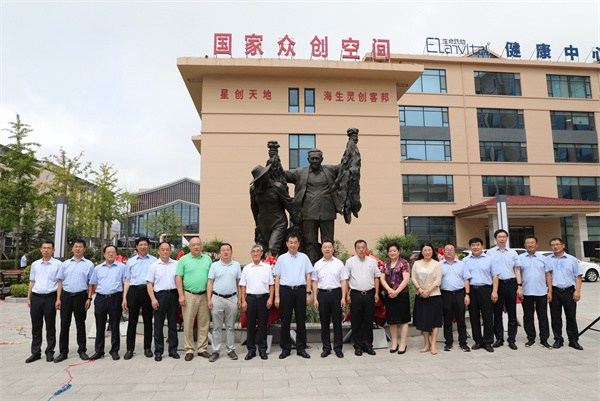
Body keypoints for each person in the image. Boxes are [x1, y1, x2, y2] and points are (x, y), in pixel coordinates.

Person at [284, 149, 341, 264]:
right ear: (308, 159)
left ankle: (330, 265)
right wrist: (274, 156)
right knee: (310, 242)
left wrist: (351, 145)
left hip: (327, 212)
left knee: (328, 241)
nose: (315, 161)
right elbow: (282, 174)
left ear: (322, 159)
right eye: (312, 159)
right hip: (308, 213)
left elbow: (345, 165)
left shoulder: (330, 170)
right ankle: (311, 266)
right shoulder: (300, 172)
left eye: (317, 159)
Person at [273, 234, 314, 359]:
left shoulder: (304, 257)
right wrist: (277, 296)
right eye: (291, 242)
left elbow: (308, 276)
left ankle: (301, 348)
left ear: (299, 244)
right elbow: (277, 278)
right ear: (287, 243)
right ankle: (285, 349)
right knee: (285, 320)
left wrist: (308, 293)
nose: (293, 245)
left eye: (295, 242)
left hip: (300, 291)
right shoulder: (281, 258)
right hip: (285, 291)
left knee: (301, 320)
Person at [54, 239, 94, 363]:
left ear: (84, 249)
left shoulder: (89, 264)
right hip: (66, 297)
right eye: (76, 246)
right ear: (72, 249)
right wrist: (58, 299)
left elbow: (90, 283)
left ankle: (82, 350)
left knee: (80, 324)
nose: (77, 249)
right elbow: (60, 282)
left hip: (81, 297)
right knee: (64, 325)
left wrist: (89, 298)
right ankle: (63, 352)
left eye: (80, 247)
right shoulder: (65, 264)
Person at [176, 237, 213, 361]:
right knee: (188, 323)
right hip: (189, 295)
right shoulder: (183, 260)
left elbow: (211, 278)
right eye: (193, 245)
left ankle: (202, 349)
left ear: (201, 246)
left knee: (204, 323)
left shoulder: (207, 259)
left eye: (198, 244)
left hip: (204, 295)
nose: (196, 247)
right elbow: (178, 278)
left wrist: (210, 296)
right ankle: (189, 350)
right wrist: (181, 295)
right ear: (190, 247)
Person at [311, 240, 348, 358]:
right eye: (325, 247)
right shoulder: (317, 264)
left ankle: (338, 348)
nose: (327, 249)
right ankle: (326, 348)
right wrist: (315, 299)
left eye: (329, 247)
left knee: (337, 322)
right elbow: (315, 283)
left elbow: (343, 281)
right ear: (321, 250)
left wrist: (343, 297)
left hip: (336, 294)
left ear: (333, 249)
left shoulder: (339, 263)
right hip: (322, 295)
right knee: (324, 323)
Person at [545, 237, 583, 350]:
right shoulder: (548, 260)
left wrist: (577, 291)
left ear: (563, 245)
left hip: (569, 291)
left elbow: (578, 276)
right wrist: (550, 292)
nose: (555, 247)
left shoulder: (572, 259)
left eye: (557, 244)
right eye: (553, 245)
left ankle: (573, 340)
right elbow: (548, 276)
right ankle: (558, 339)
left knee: (571, 317)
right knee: (555, 317)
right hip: (555, 291)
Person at [26, 241, 61, 363]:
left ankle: (50, 351)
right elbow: (32, 281)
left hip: (50, 297)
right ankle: (35, 352)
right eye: (44, 248)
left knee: (50, 325)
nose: (46, 250)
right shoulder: (35, 264)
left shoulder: (58, 264)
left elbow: (60, 283)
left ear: (53, 250)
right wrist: (29, 297)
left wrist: (58, 299)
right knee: (36, 326)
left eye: (49, 248)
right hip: (36, 297)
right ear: (41, 250)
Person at [122, 237, 157, 360]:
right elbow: (127, 280)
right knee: (132, 321)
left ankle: (147, 348)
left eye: (145, 244)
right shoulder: (130, 262)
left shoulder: (154, 261)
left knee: (148, 320)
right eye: (140, 245)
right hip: (134, 291)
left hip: (148, 291)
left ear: (149, 246)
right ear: (136, 246)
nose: (143, 247)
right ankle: (129, 349)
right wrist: (124, 297)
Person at [487, 229, 522, 350]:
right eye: (499, 236)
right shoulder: (490, 253)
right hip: (497, 285)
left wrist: (519, 286)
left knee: (512, 313)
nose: (502, 239)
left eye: (504, 236)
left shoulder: (513, 253)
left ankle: (511, 339)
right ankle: (499, 339)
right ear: (495, 239)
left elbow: (517, 270)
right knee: (497, 313)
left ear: (507, 238)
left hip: (511, 284)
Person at [89, 245, 126, 361]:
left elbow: (124, 283)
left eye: (113, 252)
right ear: (104, 254)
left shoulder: (122, 267)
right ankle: (99, 350)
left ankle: (114, 350)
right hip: (101, 299)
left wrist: (124, 299)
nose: (111, 254)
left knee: (115, 325)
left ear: (116, 254)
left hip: (115, 298)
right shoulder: (98, 268)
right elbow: (94, 283)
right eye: (108, 252)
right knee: (100, 325)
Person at [463, 237, 499, 352]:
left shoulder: (490, 259)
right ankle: (478, 341)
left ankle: (488, 342)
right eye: (473, 245)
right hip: (472, 290)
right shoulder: (465, 261)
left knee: (488, 317)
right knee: (474, 317)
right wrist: (467, 294)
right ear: (470, 247)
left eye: (478, 245)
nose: (475, 247)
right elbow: (465, 278)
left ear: (482, 246)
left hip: (486, 290)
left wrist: (494, 291)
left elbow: (495, 276)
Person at [207, 243, 242, 362]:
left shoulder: (236, 265)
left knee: (230, 326)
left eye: (228, 250)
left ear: (231, 252)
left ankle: (230, 349)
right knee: (216, 327)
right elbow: (210, 282)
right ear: (220, 253)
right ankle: (215, 351)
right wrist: (209, 299)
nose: (225, 252)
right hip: (217, 298)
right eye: (223, 250)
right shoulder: (214, 265)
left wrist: (240, 298)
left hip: (232, 298)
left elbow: (239, 283)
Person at [345, 239, 380, 356]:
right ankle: (358, 346)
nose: (361, 250)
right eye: (359, 248)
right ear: (355, 249)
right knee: (356, 322)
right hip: (355, 295)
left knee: (368, 321)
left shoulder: (372, 261)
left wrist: (376, 293)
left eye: (363, 247)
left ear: (366, 249)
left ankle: (368, 345)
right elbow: (346, 279)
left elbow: (376, 277)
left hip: (369, 294)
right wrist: (347, 295)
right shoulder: (350, 262)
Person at [240, 244, 274, 360]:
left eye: (258, 251)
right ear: (251, 254)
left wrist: (270, 298)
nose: (255, 253)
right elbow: (243, 286)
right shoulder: (247, 268)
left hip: (264, 299)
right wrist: (243, 300)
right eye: (253, 251)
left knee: (263, 325)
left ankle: (263, 350)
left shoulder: (267, 267)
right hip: (250, 299)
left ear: (261, 253)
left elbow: (271, 284)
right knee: (250, 325)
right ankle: (251, 350)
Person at [517, 235, 552, 349]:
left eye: (532, 243)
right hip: (526, 292)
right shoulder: (520, 258)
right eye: (528, 243)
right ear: (524, 245)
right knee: (528, 316)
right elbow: (517, 274)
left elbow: (548, 275)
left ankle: (544, 339)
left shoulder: (543, 259)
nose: (530, 245)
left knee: (543, 316)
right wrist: (519, 288)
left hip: (541, 292)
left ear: (536, 244)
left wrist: (550, 291)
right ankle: (530, 338)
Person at [147, 241, 180, 361]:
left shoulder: (176, 264)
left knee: (173, 324)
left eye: (167, 249)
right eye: (163, 249)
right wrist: (153, 299)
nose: (165, 251)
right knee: (158, 325)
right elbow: (149, 284)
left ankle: (173, 350)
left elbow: (180, 281)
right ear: (158, 251)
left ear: (171, 251)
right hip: (160, 296)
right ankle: (158, 351)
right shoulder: (154, 266)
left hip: (173, 295)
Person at [411, 243, 443, 355]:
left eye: (429, 250)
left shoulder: (437, 264)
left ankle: (433, 344)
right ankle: (426, 343)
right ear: (421, 251)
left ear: (432, 251)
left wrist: (428, 291)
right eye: (425, 250)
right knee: (423, 320)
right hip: (421, 295)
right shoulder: (416, 263)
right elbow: (413, 278)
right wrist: (420, 290)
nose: (427, 252)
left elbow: (438, 280)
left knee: (435, 321)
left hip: (434, 295)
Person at [379, 242, 410, 354]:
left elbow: (406, 279)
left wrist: (397, 291)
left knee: (403, 320)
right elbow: (382, 278)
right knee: (392, 320)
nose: (392, 253)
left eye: (394, 251)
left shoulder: (404, 263)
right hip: (390, 294)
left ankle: (403, 344)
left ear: (398, 251)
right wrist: (389, 290)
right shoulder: (386, 263)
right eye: (390, 251)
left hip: (402, 294)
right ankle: (394, 342)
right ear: (388, 253)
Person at [440, 243, 471, 352]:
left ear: (454, 252)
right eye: (447, 250)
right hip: (445, 294)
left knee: (461, 319)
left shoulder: (461, 264)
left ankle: (463, 343)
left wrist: (467, 294)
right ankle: (448, 343)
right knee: (447, 320)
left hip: (459, 293)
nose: (449, 251)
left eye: (451, 250)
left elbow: (466, 279)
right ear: (444, 252)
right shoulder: (439, 265)